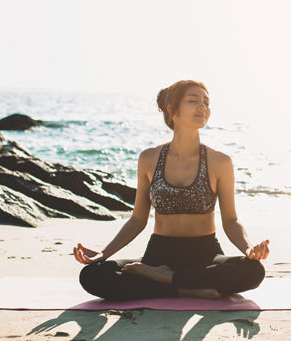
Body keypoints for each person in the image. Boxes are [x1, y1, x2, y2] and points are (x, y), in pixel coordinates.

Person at [74, 80, 269, 300]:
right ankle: (182, 287)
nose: (203, 107)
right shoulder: (149, 158)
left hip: (205, 255)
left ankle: (167, 280)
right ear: (172, 109)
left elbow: (231, 221)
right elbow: (138, 219)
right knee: (93, 275)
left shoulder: (220, 161)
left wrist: (249, 249)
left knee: (253, 271)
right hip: (158, 254)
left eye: (206, 102)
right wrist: (103, 253)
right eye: (193, 101)